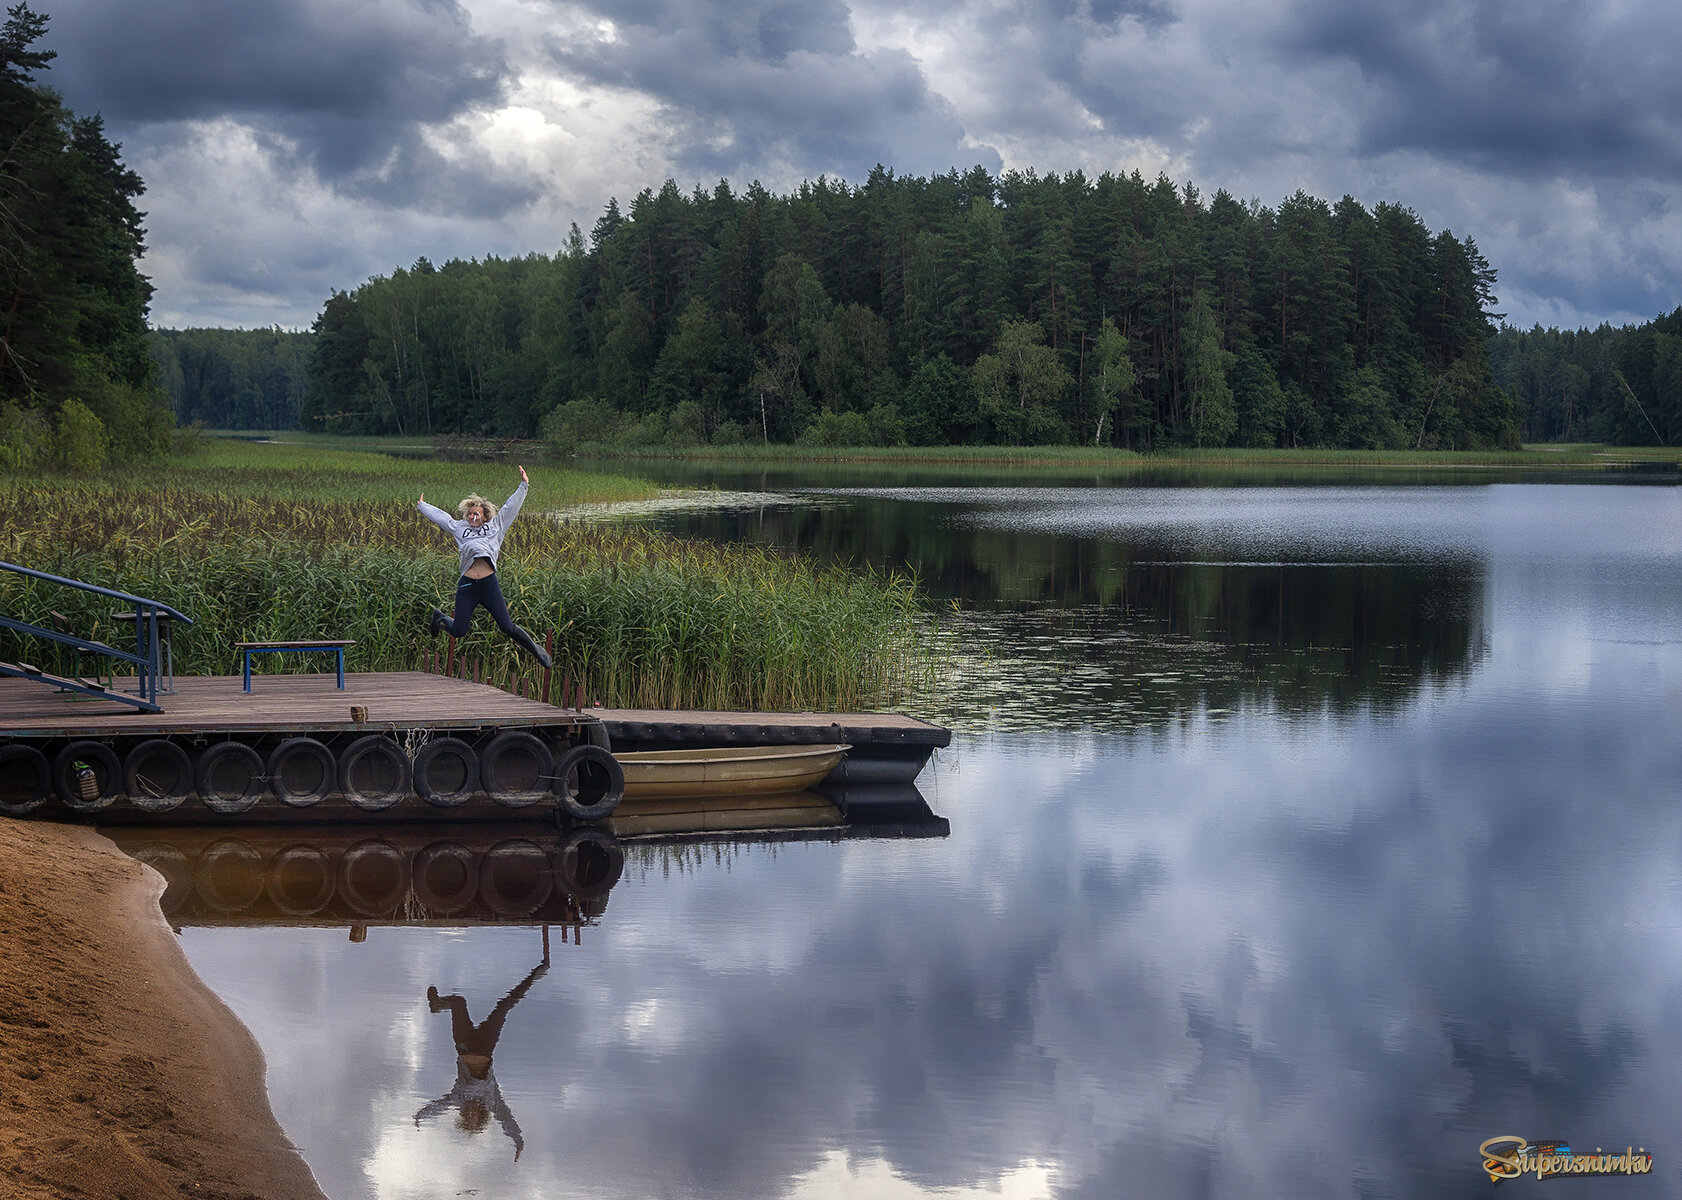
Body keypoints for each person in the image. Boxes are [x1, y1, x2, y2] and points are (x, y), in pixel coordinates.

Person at [414, 956, 549, 1161]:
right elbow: (506, 1119)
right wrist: (518, 1141)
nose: (469, 1115)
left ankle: (438, 1005)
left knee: (459, 1002)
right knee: (505, 1006)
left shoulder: (458, 1099)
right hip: (486, 1048)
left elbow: (439, 1106)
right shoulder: (491, 1102)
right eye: (473, 1119)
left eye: (466, 1118)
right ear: (480, 1119)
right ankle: (537, 974)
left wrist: (421, 1116)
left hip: (465, 1046)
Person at [418, 465, 552, 668]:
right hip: (467, 586)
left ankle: (537, 651)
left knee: (507, 627)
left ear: (485, 516)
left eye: (477, 514)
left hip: (488, 585)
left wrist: (524, 485)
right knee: (459, 631)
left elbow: (510, 508)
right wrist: (422, 506)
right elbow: (443, 518)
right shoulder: (460, 528)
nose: (473, 517)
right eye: (470, 514)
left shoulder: (496, 526)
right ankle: (440, 618)